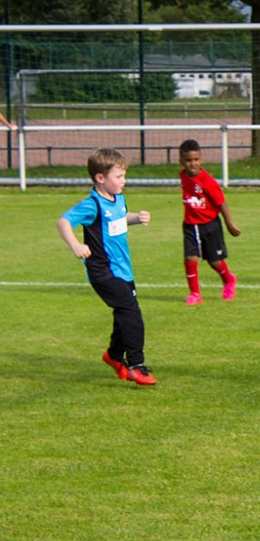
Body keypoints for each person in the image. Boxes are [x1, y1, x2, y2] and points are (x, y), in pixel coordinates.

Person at [56, 148, 157, 385]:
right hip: (103, 271)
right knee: (131, 312)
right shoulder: (92, 205)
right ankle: (136, 365)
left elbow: (119, 218)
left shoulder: (118, 198)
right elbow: (64, 221)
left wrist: (136, 218)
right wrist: (75, 245)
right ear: (100, 178)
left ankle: (113, 355)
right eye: (119, 176)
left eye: (124, 176)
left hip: (123, 269)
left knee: (124, 312)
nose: (124, 181)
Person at [178, 139, 240, 305]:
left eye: (196, 159)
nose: (193, 164)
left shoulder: (207, 182)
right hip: (190, 225)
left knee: (214, 261)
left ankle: (229, 280)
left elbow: (221, 203)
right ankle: (195, 294)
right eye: (188, 160)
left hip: (210, 225)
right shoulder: (183, 176)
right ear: (181, 161)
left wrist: (229, 224)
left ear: (201, 159)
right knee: (190, 258)